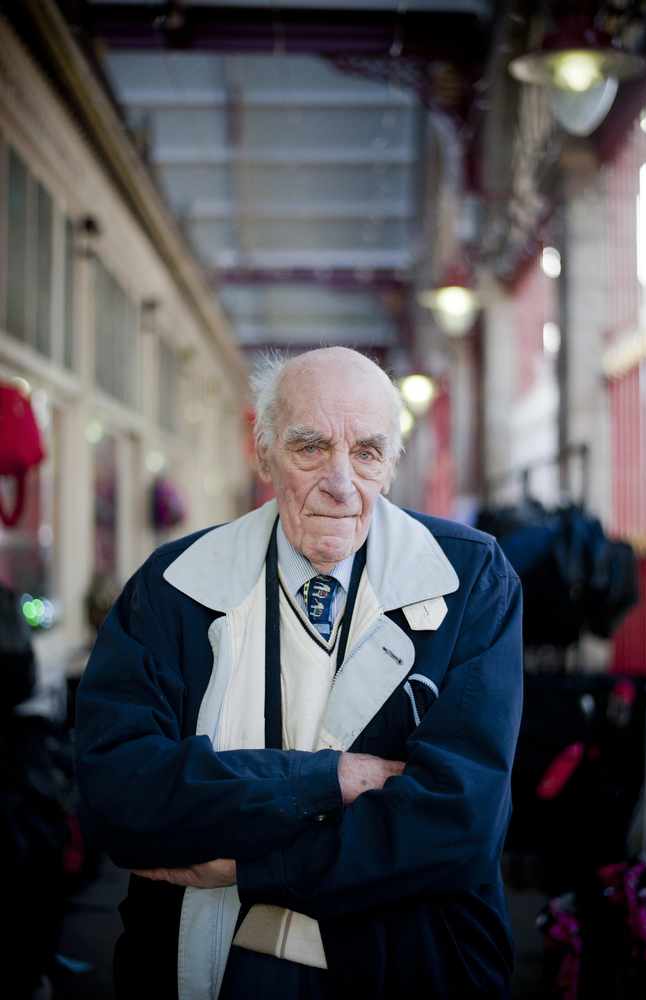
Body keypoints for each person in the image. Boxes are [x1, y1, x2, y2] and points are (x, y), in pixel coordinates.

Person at [75, 346, 523, 1000]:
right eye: (309, 447)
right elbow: (118, 799)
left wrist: (253, 864)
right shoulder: (172, 586)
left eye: (367, 452)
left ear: (392, 465)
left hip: (413, 961)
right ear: (261, 454)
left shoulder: (471, 579)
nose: (341, 482)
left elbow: (460, 824)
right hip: (209, 961)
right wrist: (329, 779)